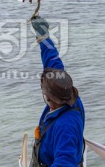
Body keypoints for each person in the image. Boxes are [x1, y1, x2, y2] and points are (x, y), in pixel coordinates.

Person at [30, 16, 85, 167]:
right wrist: (43, 37)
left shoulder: (65, 126)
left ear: (48, 97)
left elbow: (65, 163)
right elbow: (52, 61)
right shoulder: (67, 92)